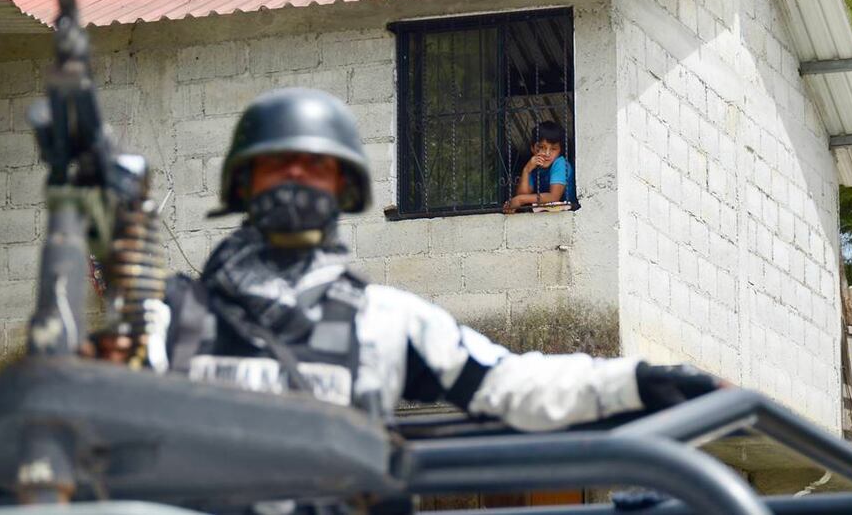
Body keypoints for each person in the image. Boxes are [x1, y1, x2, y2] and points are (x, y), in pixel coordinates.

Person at [100, 88, 719, 431]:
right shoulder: (164, 324)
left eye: (315, 166)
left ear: (342, 190)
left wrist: (639, 381)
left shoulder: (385, 324)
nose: (294, 178)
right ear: (242, 186)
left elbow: (511, 384)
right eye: (273, 165)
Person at [504, 120, 576, 214]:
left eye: (553, 149)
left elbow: (554, 197)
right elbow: (523, 195)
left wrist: (520, 199)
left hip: (569, 213)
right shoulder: (533, 166)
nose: (547, 154)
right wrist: (526, 170)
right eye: (542, 147)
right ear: (533, 148)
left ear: (560, 151)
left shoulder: (560, 163)